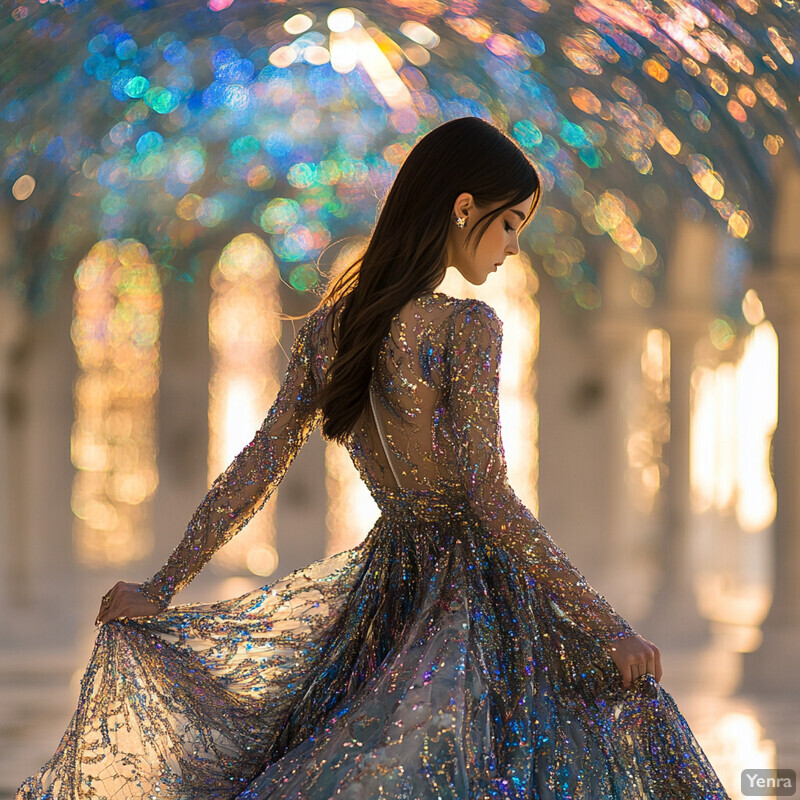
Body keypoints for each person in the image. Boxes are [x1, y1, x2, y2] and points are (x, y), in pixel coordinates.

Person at [17, 117, 729, 799]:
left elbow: (256, 466)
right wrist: (608, 627)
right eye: (510, 223)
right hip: (472, 599)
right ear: (463, 207)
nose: (512, 246)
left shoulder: (330, 330)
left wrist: (163, 585)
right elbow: (488, 496)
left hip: (383, 597)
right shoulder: (465, 327)